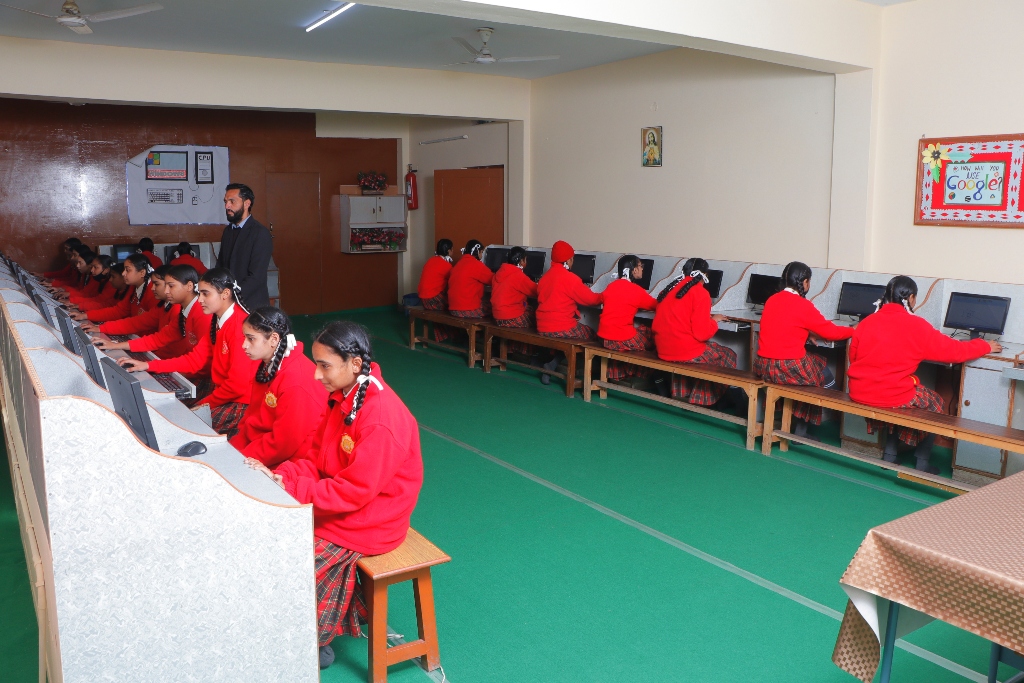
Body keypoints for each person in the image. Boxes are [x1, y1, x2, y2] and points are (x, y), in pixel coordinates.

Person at [247, 321, 423, 670]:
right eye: (316, 364)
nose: (316, 375)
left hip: (375, 517)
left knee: (297, 558)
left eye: (324, 365)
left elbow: (354, 492)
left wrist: (293, 488)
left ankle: (311, 642)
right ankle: (309, 625)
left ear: (354, 364)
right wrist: (283, 476)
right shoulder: (344, 397)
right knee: (274, 531)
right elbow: (314, 457)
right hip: (350, 502)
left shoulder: (381, 418)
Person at [847, 275, 998, 473]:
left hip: (859, 391)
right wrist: (984, 345)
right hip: (890, 395)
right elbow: (955, 351)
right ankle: (922, 461)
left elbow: (853, 357)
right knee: (935, 402)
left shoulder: (867, 322)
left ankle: (890, 455)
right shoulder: (916, 325)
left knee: (898, 399)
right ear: (910, 298)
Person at [754, 261, 854, 438]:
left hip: (765, 366)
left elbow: (781, 326)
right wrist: (854, 330)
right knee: (820, 373)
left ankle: (827, 410)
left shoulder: (771, 300)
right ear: (805, 282)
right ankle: (834, 411)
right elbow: (832, 333)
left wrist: (806, 332)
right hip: (788, 367)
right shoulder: (803, 305)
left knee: (813, 369)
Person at [230, 307, 328, 468]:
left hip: (293, 460)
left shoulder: (296, 380)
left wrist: (238, 460)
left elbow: (284, 444)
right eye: (245, 338)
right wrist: (232, 450)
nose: (244, 345)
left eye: (251, 339)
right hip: (265, 448)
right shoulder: (268, 365)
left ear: (274, 339)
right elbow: (251, 420)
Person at [101, 265, 212, 392]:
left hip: (202, 378)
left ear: (189, 286)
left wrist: (151, 366)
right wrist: (115, 345)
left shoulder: (202, 314)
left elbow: (201, 363)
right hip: (193, 372)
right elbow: (158, 339)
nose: (166, 291)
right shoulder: (185, 312)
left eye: (171, 286)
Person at [652, 258, 739, 408]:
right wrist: (714, 321)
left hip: (663, 348)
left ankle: (686, 394)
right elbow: (702, 334)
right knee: (728, 354)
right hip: (683, 351)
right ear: (705, 275)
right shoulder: (701, 293)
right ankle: (706, 399)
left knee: (704, 353)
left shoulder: (668, 290)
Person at [536, 240, 603, 383]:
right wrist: (607, 295)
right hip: (561, 327)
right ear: (567, 260)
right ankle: (596, 376)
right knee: (593, 334)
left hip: (542, 327)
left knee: (568, 338)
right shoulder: (570, 279)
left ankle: (551, 365)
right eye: (572, 259)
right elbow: (591, 300)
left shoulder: (544, 278)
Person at [598, 255, 658, 382]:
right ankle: (645, 377)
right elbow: (656, 306)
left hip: (604, 338)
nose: (642, 269)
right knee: (654, 338)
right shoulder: (636, 291)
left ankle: (619, 373)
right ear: (634, 270)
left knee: (639, 331)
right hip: (620, 338)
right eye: (641, 266)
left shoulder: (611, 286)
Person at [217, 183, 273, 310]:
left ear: (247, 203)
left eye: (232, 201)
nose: (227, 206)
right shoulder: (228, 231)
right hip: (228, 303)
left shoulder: (260, 233)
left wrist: (232, 296)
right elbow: (221, 266)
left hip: (251, 304)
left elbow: (256, 277)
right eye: (226, 202)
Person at [81, 262, 165, 338]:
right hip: (136, 336)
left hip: (141, 339)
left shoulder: (153, 294)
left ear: (142, 273)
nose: (123, 273)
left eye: (127, 270)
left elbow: (152, 334)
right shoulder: (134, 288)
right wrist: (101, 327)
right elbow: (132, 319)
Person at [490, 246, 539, 355]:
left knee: (528, 309)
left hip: (497, 315)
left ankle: (511, 348)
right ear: (521, 261)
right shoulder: (517, 275)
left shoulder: (499, 272)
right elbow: (536, 291)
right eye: (525, 260)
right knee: (538, 318)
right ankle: (530, 353)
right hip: (510, 317)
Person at [416, 239, 455, 342]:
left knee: (443, 307)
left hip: (423, 298)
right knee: (455, 305)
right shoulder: (446, 265)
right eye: (452, 249)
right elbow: (455, 281)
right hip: (432, 298)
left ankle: (444, 336)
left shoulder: (431, 260)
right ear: (449, 251)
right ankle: (454, 336)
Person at [447, 240, 493, 317]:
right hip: (467, 309)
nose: (482, 255)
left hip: (453, 308)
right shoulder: (476, 265)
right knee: (494, 307)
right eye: (481, 252)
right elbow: (493, 280)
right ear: (477, 252)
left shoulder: (459, 263)